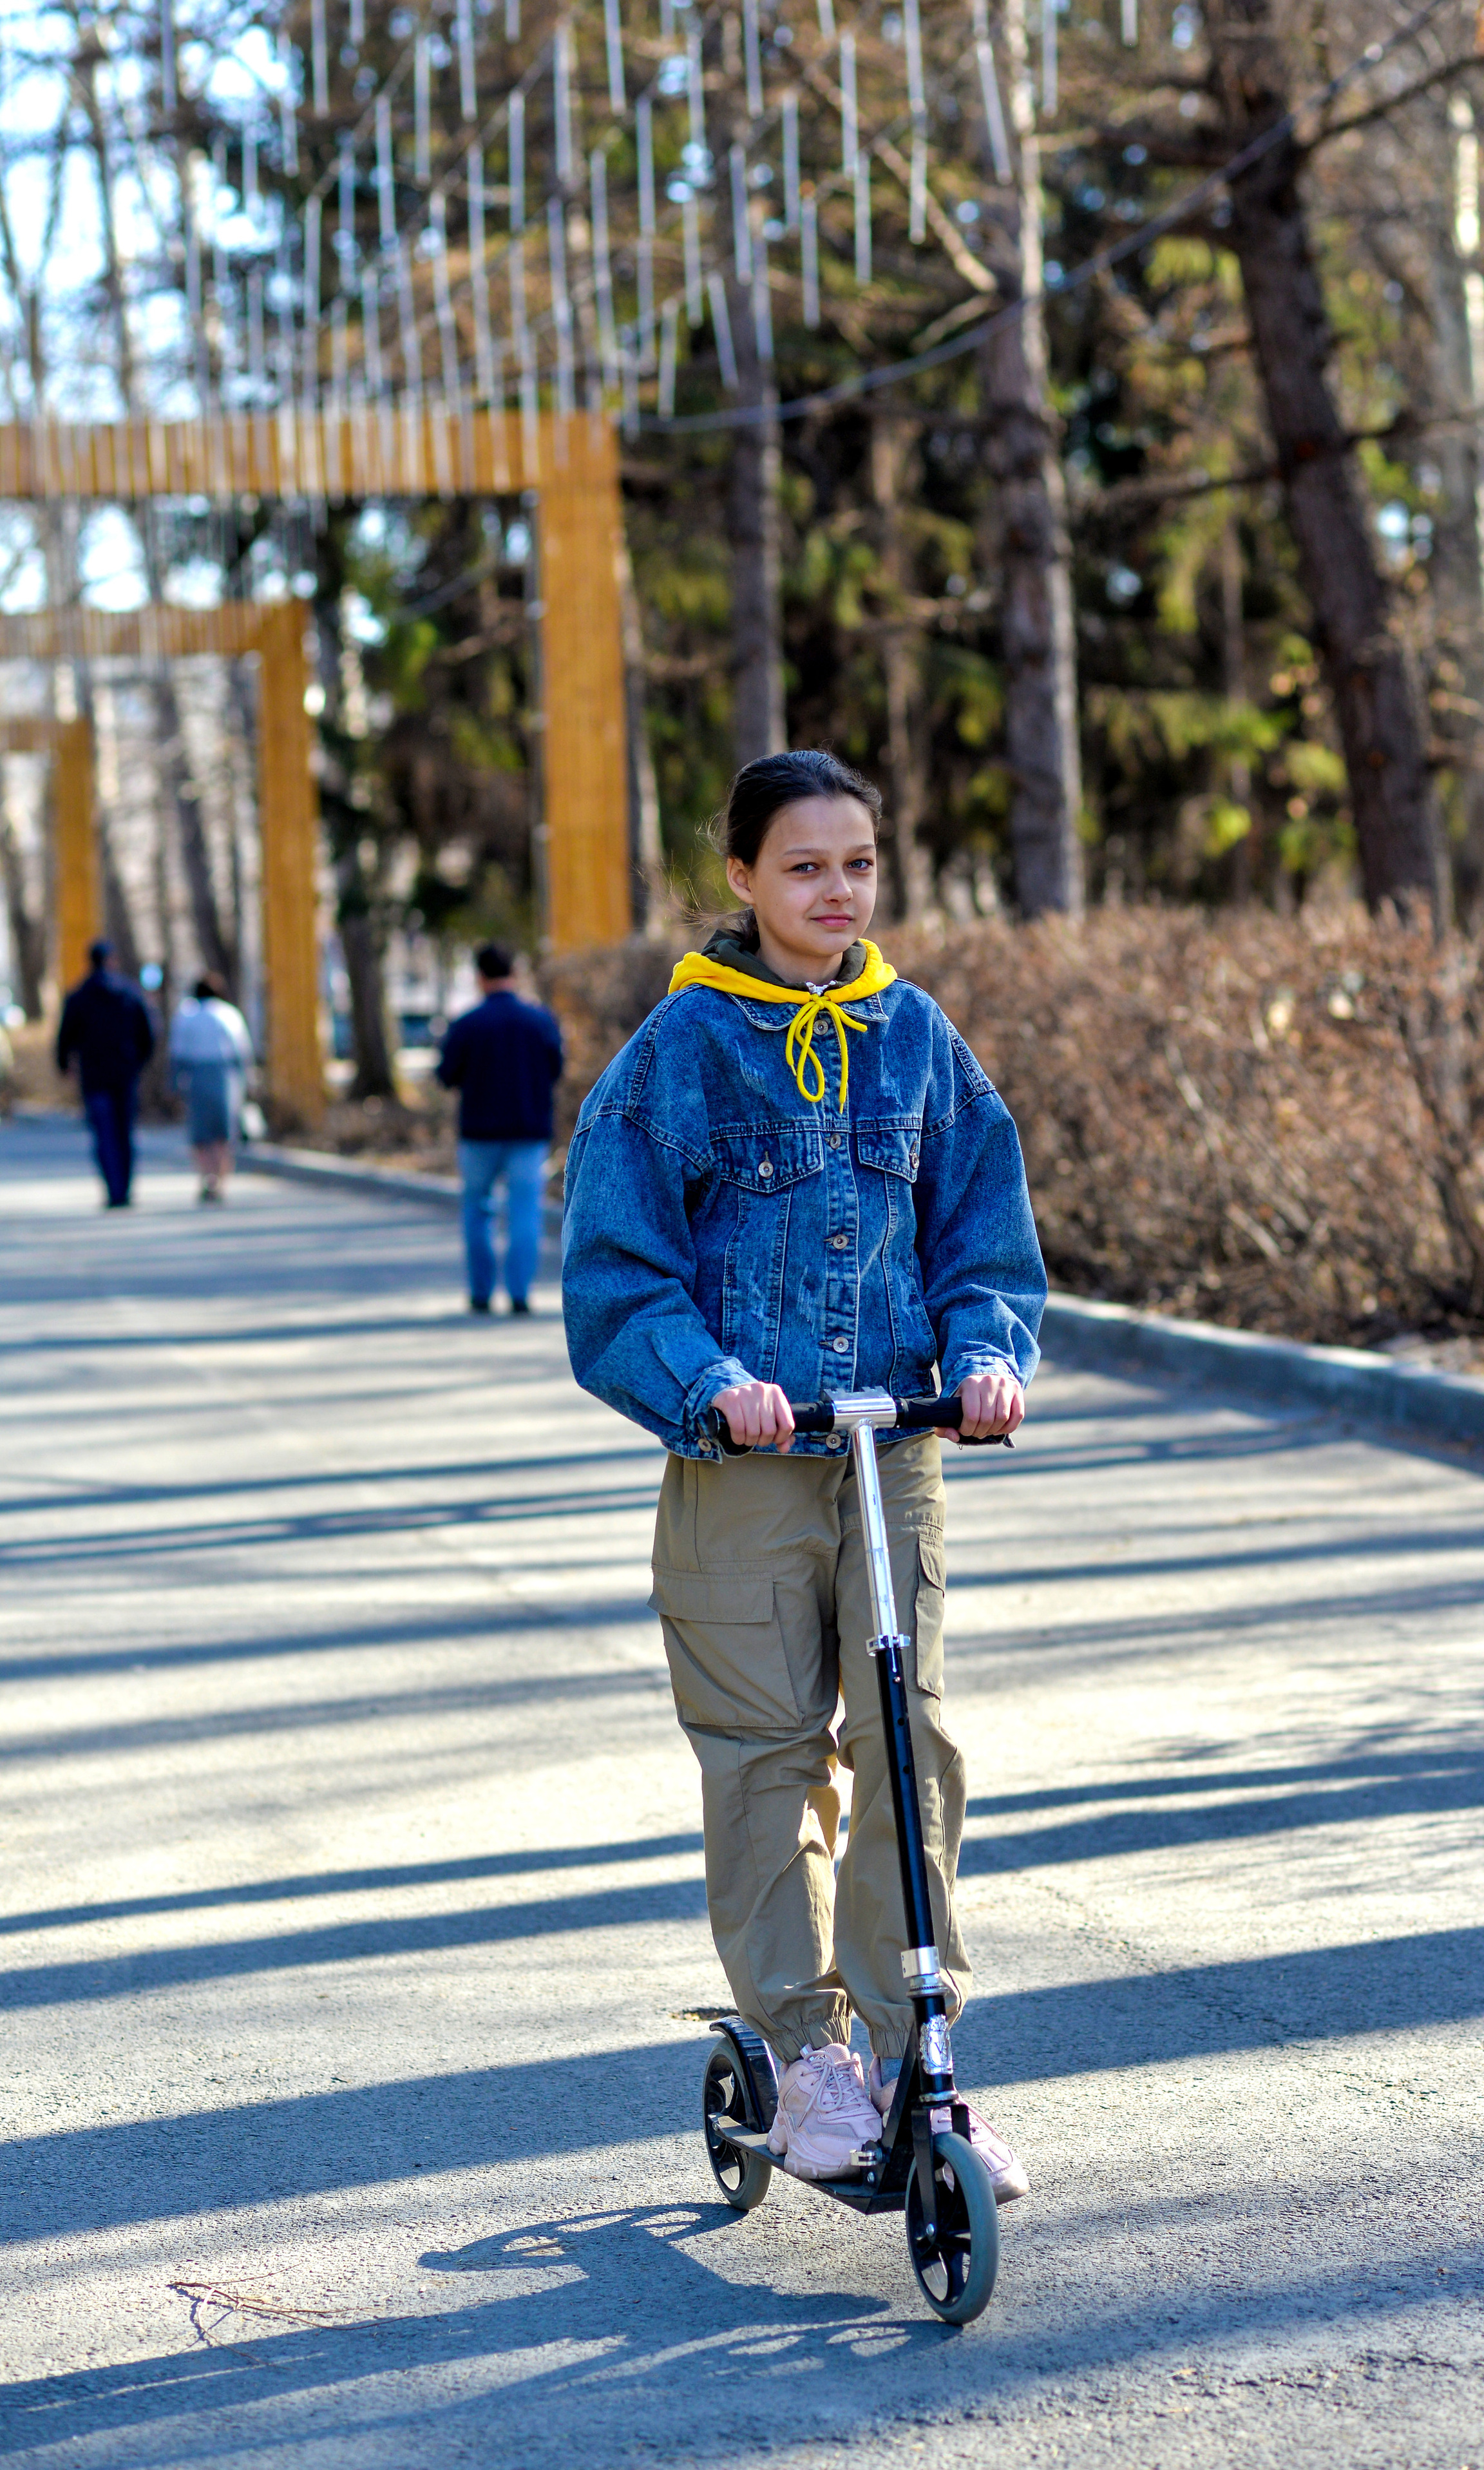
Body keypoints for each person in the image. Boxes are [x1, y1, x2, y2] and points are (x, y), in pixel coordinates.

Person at [560, 750, 1046, 2197]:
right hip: (746, 1470)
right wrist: (712, 1386)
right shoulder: (679, 1056)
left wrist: (985, 1353)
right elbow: (615, 1277)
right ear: (742, 880)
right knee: (768, 1760)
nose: (835, 893)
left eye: (857, 865)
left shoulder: (913, 1038)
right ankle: (804, 2055)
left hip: (891, 1458)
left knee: (910, 1742)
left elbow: (982, 1232)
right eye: (803, 867)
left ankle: (917, 2060)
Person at [436, 941, 564, 1316]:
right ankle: (520, 1293)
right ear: (515, 974)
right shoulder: (540, 1020)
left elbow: (446, 1075)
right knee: (525, 1211)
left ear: (479, 977)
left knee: (477, 1210)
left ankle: (480, 1292)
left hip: (478, 1133)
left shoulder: (467, 1024)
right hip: (528, 1131)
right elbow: (555, 1070)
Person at [55, 939, 155, 1208]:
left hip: (94, 1076)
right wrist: (138, 1063)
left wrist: (65, 1065)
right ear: (113, 961)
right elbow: (148, 1034)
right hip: (125, 1073)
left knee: (104, 1134)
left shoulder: (78, 996)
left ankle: (113, 1189)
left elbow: (65, 1037)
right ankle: (126, 1188)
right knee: (125, 1132)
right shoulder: (131, 993)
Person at [169, 972, 254, 1203]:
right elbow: (242, 1051)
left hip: (195, 1077)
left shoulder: (186, 1015)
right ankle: (221, 1181)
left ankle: (206, 1177)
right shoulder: (229, 1014)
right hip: (225, 1077)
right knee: (223, 1132)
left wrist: (175, 1084)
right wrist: (248, 1083)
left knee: (200, 1134)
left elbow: (177, 1053)